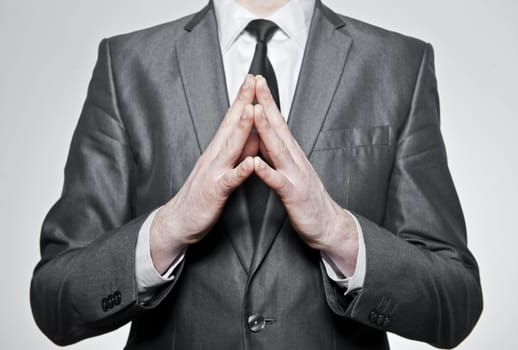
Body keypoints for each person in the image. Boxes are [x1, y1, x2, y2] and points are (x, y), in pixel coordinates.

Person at [30, 0, 483, 349]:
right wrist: (165, 232)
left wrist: (339, 234)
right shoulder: (126, 64)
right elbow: (55, 300)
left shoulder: (400, 64)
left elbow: (455, 302)